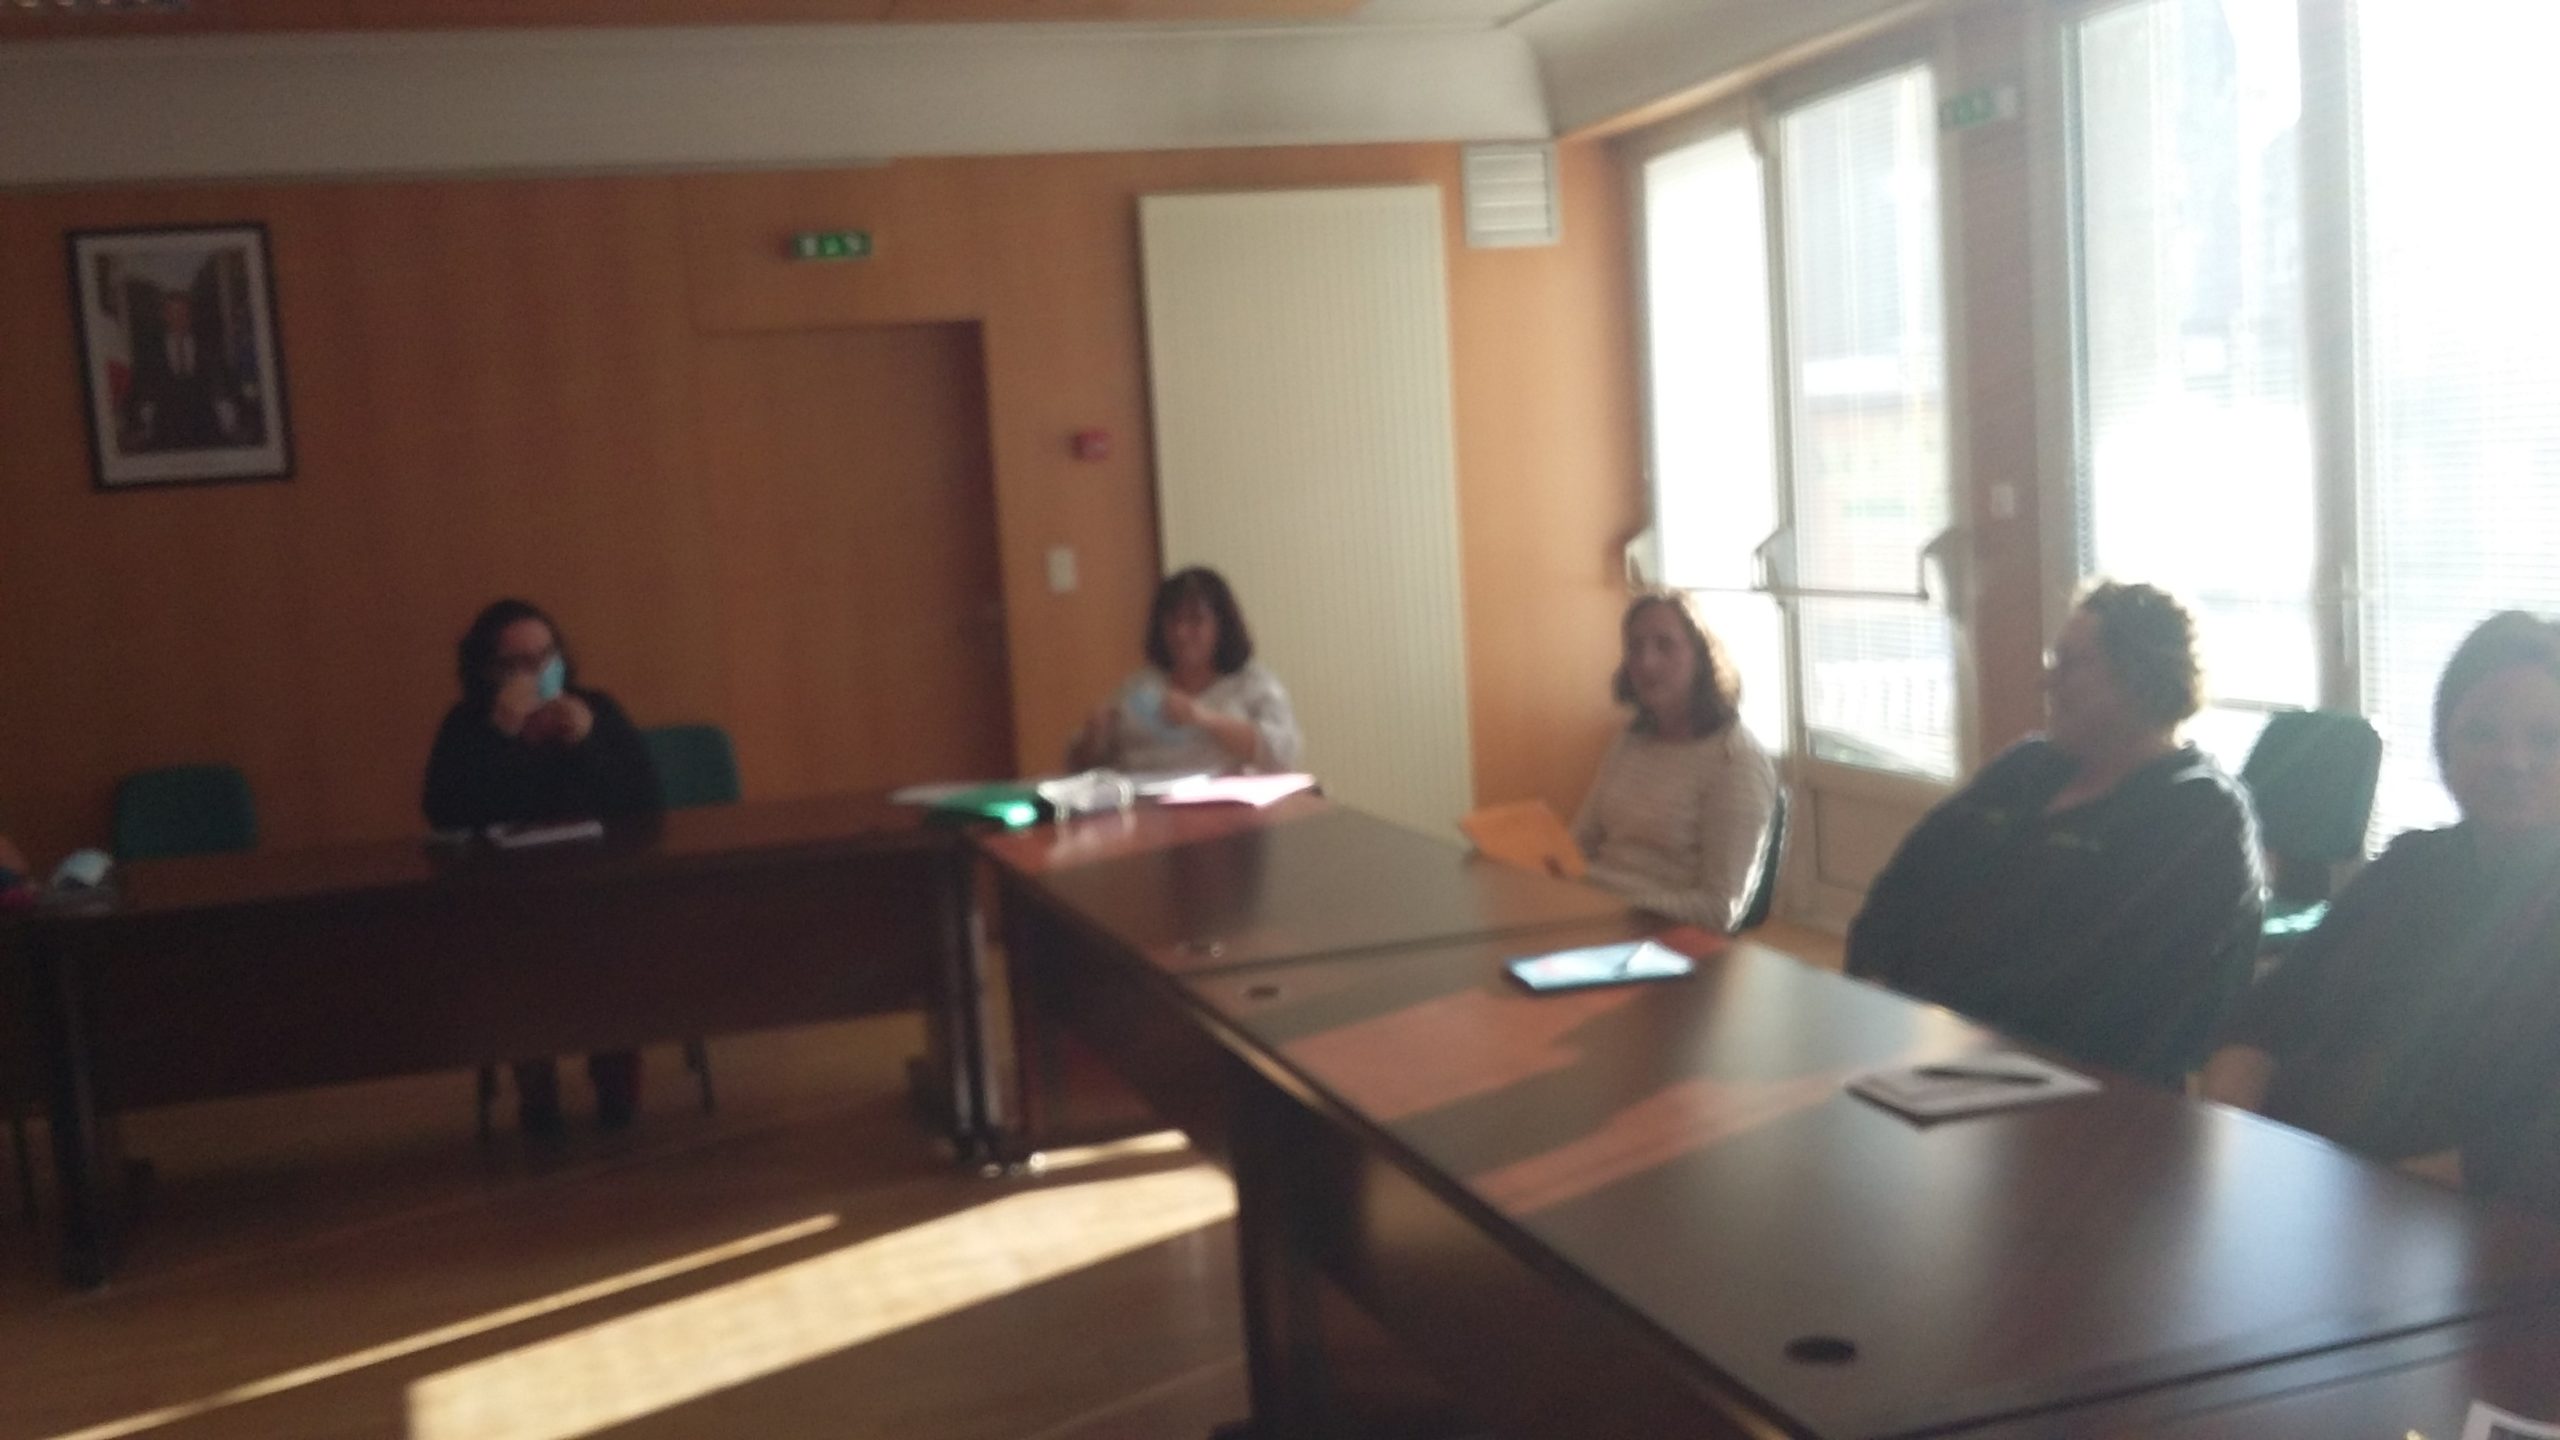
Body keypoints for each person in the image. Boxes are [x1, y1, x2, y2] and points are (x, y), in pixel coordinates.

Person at [2202, 612, 2560, 1216]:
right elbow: (2269, 1012)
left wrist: (2378, 1193)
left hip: (2488, 1222)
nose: (2512, 761)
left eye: (2546, 738)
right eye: (2481, 734)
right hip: (2322, 1192)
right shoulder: (2410, 866)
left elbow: (2535, 1153)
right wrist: (2227, 1146)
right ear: (2444, 751)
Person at [1846, 582, 2263, 1085]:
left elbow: (2104, 996)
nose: (2047, 682)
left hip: (2075, 1089)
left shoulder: (2199, 815)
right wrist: (1878, 996)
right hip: (1926, 1051)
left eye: (2071, 665)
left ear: (2139, 678)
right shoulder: (2025, 769)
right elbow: (1900, 890)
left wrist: (1935, 1012)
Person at [423, 599, 660, 1135]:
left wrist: (588, 744)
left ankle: (616, 1082)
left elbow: (645, 801)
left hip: (596, 890)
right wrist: (500, 736)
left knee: (615, 941)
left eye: (546, 655)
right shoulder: (468, 725)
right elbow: (444, 810)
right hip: (510, 899)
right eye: (519, 662)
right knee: (514, 955)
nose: (537, 670)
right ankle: (537, 1090)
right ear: (489, 670)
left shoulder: (595, 709)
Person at [1570, 590, 1779, 932]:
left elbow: (1719, 909)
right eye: (1635, 647)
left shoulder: (1736, 761)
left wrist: (1613, 907)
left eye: (1664, 646)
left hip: (1664, 939)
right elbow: (1579, 843)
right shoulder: (1630, 742)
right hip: (1597, 920)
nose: (1646, 662)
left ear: (1702, 657)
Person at [1067, 566, 1303, 776]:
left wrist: (1203, 718)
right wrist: (1093, 737)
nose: (1181, 632)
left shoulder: (1252, 682)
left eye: (1195, 620)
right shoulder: (1140, 685)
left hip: (1225, 804)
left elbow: (1283, 753)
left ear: (1221, 626)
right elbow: (1079, 766)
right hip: (1143, 803)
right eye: (1173, 621)